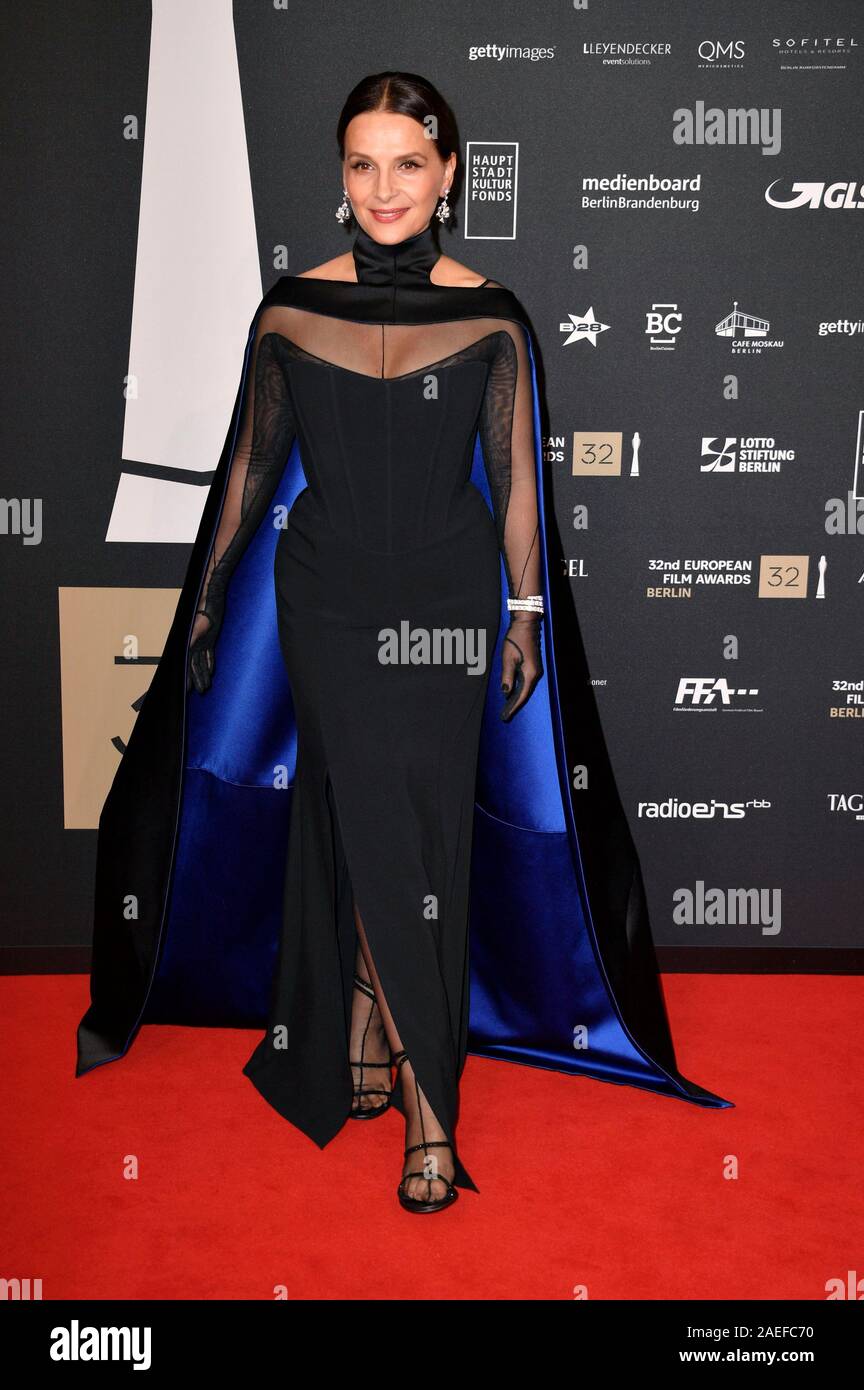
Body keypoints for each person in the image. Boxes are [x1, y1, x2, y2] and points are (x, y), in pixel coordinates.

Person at [76, 70, 732, 1217]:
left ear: (449, 175)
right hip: (323, 597)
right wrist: (207, 600)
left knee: (421, 826)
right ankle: (431, 1097)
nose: (385, 188)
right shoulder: (287, 311)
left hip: (444, 599)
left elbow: (521, 483)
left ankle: (380, 1024)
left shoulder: (493, 317)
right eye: (362, 164)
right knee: (363, 808)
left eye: (408, 164)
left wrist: (526, 610)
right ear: (341, 177)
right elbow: (248, 470)